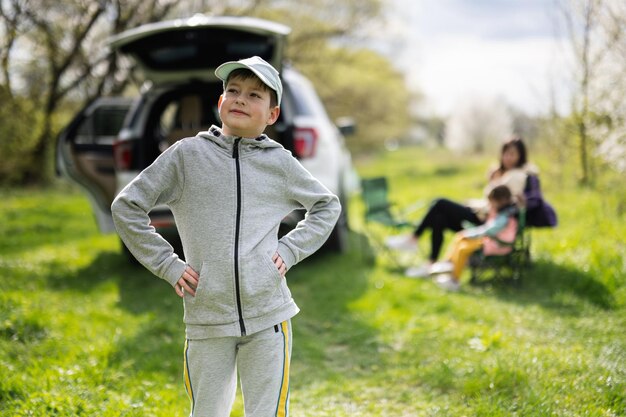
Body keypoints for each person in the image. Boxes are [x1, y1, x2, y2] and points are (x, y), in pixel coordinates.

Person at [111, 56, 341, 417]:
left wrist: (291, 249)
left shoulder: (279, 163)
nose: (240, 99)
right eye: (232, 91)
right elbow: (126, 206)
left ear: (272, 115)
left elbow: (327, 206)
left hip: (269, 315)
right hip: (206, 316)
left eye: (254, 95)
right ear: (220, 102)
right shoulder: (186, 156)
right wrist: (166, 263)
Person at [385, 136, 536, 278]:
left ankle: (414, 239)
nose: (507, 158)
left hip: (485, 223)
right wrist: (476, 199)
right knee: (439, 218)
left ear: (520, 156)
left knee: (440, 203)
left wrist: (492, 182)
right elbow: (491, 201)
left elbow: (499, 205)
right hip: (483, 216)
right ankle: (430, 264)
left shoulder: (516, 176)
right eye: (505, 153)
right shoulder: (506, 173)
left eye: (512, 154)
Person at [430, 184, 519, 292]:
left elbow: (489, 230)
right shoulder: (502, 211)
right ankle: (447, 264)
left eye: (491, 202)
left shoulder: (504, 216)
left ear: (500, 201)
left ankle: (455, 280)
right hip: (491, 241)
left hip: (498, 245)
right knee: (459, 237)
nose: (490, 205)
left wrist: (470, 233)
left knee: (463, 249)